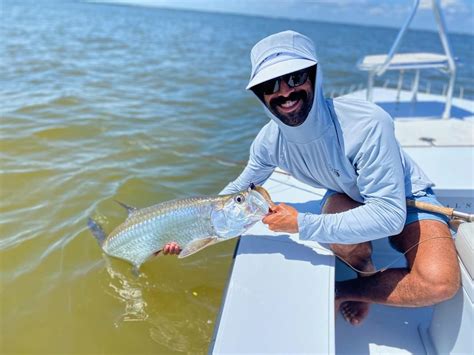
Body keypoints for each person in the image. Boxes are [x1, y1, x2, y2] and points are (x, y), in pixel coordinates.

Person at [164, 30, 460, 326]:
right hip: (348, 198)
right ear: (261, 94)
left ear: (314, 77)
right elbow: (237, 190)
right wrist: (188, 229)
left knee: (440, 283)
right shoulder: (269, 140)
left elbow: (390, 215)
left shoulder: (368, 123)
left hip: (409, 201)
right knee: (340, 229)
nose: (284, 92)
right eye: (270, 85)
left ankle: (346, 291)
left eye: (294, 78)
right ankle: (364, 279)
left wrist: (300, 224)